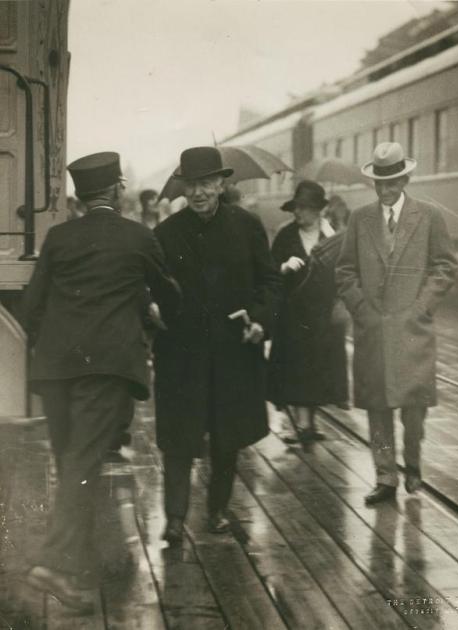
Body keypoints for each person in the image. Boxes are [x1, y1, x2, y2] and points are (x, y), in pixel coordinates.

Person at [22, 152, 180, 611]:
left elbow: (33, 306)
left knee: (73, 464)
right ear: (116, 190)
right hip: (105, 369)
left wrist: (49, 346)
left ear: (82, 196)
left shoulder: (58, 237)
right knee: (83, 466)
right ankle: (52, 563)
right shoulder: (138, 236)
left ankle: (83, 563)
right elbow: (169, 293)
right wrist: (150, 310)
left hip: (55, 370)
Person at [153, 146, 281, 543]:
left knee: (227, 436)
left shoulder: (247, 226)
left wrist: (259, 320)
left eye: (206, 183)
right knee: (177, 437)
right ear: (182, 187)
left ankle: (218, 510)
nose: (198, 193)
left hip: (232, 351)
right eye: (191, 185)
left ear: (222, 184)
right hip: (182, 353)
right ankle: (175, 518)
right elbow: (151, 289)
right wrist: (154, 310)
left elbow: (271, 284)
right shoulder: (165, 233)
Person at [336, 142, 457, 505]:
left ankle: (414, 464)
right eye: (379, 184)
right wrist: (363, 311)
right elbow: (344, 271)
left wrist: (421, 308)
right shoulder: (360, 219)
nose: (386, 191)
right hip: (373, 330)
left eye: (392, 183)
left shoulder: (429, 216)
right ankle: (386, 476)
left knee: (414, 408)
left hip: (412, 331)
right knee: (378, 407)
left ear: (405, 179)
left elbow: (445, 266)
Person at [267, 180, 348, 443]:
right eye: (295, 208)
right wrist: (283, 267)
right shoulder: (285, 235)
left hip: (322, 316)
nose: (297, 213)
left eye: (303, 208)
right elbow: (268, 273)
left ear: (317, 210)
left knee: (317, 369)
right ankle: (302, 426)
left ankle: (309, 423)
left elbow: (346, 270)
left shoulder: (332, 236)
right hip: (292, 315)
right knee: (297, 369)